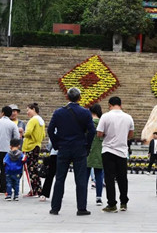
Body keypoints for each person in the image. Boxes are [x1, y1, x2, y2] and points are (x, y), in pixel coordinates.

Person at [47, 87, 96, 216]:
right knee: (80, 179)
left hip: (63, 148)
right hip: (79, 148)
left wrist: (57, 144)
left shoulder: (58, 112)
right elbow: (92, 131)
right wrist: (87, 145)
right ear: (79, 98)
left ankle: (55, 208)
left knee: (59, 179)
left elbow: (50, 130)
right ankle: (81, 208)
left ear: (67, 97)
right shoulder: (85, 113)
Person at [97, 96, 134, 213]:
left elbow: (99, 133)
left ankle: (112, 204)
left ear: (109, 105)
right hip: (122, 151)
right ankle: (123, 203)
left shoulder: (105, 116)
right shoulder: (128, 117)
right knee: (122, 178)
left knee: (109, 178)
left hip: (108, 150)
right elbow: (131, 134)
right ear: (121, 105)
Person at [22, 103, 45, 197]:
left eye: (28, 110)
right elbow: (43, 135)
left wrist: (22, 133)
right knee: (35, 169)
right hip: (37, 145)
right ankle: (38, 189)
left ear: (34, 109)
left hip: (30, 146)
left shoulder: (33, 120)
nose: (27, 112)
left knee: (30, 170)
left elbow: (28, 132)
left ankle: (34, 190)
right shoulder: (41, 120)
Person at [86, 103, 104, 206]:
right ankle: (99, 198)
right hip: (99, 151)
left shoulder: (88, 122)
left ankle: (83, 196)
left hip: (88, 151)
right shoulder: (102, 122)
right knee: (99, 175)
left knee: (85, 176)